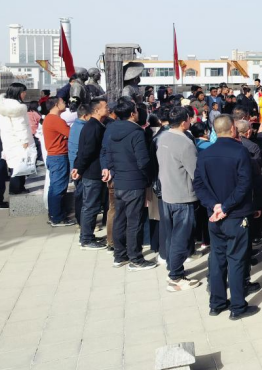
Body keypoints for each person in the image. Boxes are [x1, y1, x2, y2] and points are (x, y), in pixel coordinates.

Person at [193, 115, 260, 320]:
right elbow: (244, 184)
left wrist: (214, 205)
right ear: (233, 129)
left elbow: (198, 185)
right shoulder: (240, 151)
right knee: (237, 259)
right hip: (234, 214)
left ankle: (217, 302)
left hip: (215, 214)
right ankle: (238, 306)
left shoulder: (205, 153)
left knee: (217, 258)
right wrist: (224, 206)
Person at [102, 98, 157, 271]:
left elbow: (108, 154)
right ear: (133, 114)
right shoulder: (136, 132)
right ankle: (135, 258)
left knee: (120, 218)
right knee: (134, 221)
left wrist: (112, 171)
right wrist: (149, 178)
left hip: (119, 180)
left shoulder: (111, 129)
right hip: (134, 181)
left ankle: (120, 255)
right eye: (136, 110)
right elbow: (143, 161)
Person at [156, 106, 201, 292]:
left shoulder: (162, 137)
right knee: (181, 238)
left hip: (167, 194)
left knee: (173, 236)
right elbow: (196, 173)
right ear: (184, 122)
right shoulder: (185, 143)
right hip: (183, 196)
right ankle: (175, 277)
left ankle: (173, 268)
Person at [71, 99, 109, 249]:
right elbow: (87, 151)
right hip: (92, 172)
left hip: (91, 171)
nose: (108, 108)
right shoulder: (93, 127)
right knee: (90, 206)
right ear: (97, 110)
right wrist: (79, 168)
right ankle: (86, 239)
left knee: (90, 205)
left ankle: (87, 236)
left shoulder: (95, 125)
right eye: (105, 106)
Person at [0, 83, 34, 195]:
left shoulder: (4, 104)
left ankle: (17, 188)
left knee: (14, 165)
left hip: (9, 140)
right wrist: (24, 140)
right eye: (23, 92)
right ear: (18, 93)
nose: (25, 94)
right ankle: (17, 189)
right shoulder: (16, 107)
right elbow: (20, 126)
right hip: (18, 141)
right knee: (20, 165)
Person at [43, 97, 74, 227]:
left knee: (54, 187)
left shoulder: (49, 118)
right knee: (58, 188)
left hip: (54, 156)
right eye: (62, 102)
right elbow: (71, 134)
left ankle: (54, 214)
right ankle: (57, 218)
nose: (65, 103)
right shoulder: (55, 120)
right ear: (56, 105)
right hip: (59, 156)